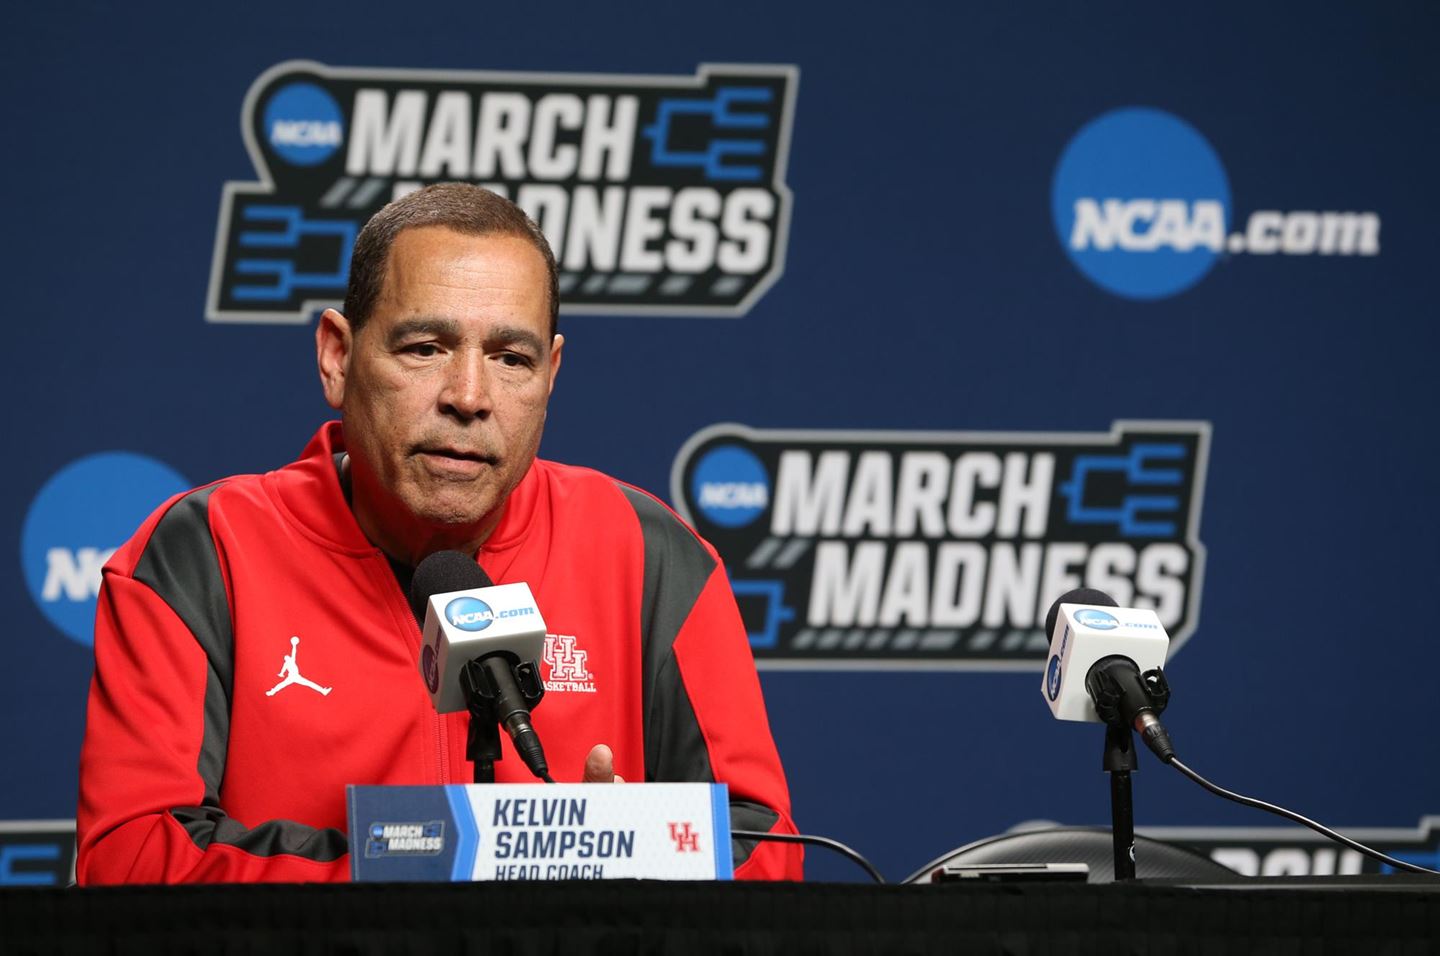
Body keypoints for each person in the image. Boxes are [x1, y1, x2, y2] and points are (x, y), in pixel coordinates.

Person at [76, 183, 801, 884]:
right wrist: (433, 860)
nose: (469, 397)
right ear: (337, 355)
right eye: (425, 347)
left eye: (510, 359)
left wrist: (622, 863)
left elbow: (765, 850)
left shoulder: (650, 557)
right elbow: (132, 856)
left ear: (550, 375)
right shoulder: (205, 554)